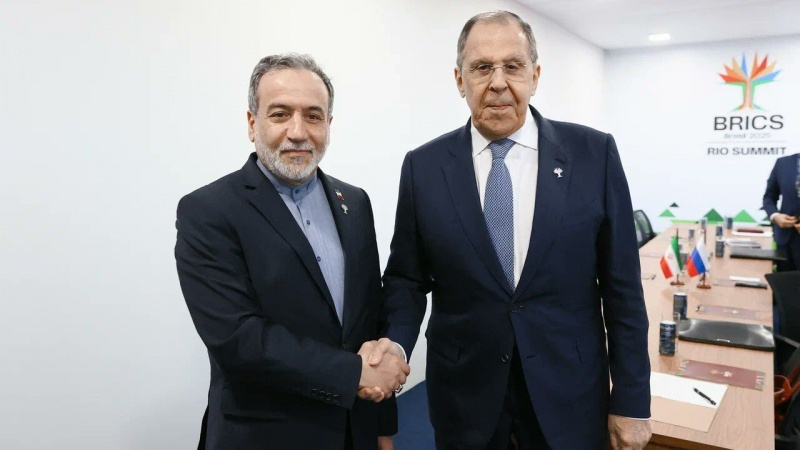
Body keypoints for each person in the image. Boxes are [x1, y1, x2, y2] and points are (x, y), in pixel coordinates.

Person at [372, 11, 651, 450]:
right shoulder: (423, 167)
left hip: (570, 394)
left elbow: (623, 289)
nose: (498, 82)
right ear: (460, 80)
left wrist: (633, 399)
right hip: (465, 397)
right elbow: (407, 278)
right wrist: (396, 345)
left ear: (534, 76)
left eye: (513, 66)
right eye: (482, 67)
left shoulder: (593, 154)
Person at [175, 53, 408, 450]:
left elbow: (367, 319)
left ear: (329, 125)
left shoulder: (354, 202)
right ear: (253, 123)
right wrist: (353, 373)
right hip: (264, 436)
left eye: (313, 116)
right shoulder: (208, 211)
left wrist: (383, 429)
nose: (298, 132)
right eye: (280, 114)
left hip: (355, 433)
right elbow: (238, 340)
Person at [763, 153, 800, 271]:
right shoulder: (783, 163)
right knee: (784, 282)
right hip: (786, 242)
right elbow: (769, 197)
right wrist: (775, 216)